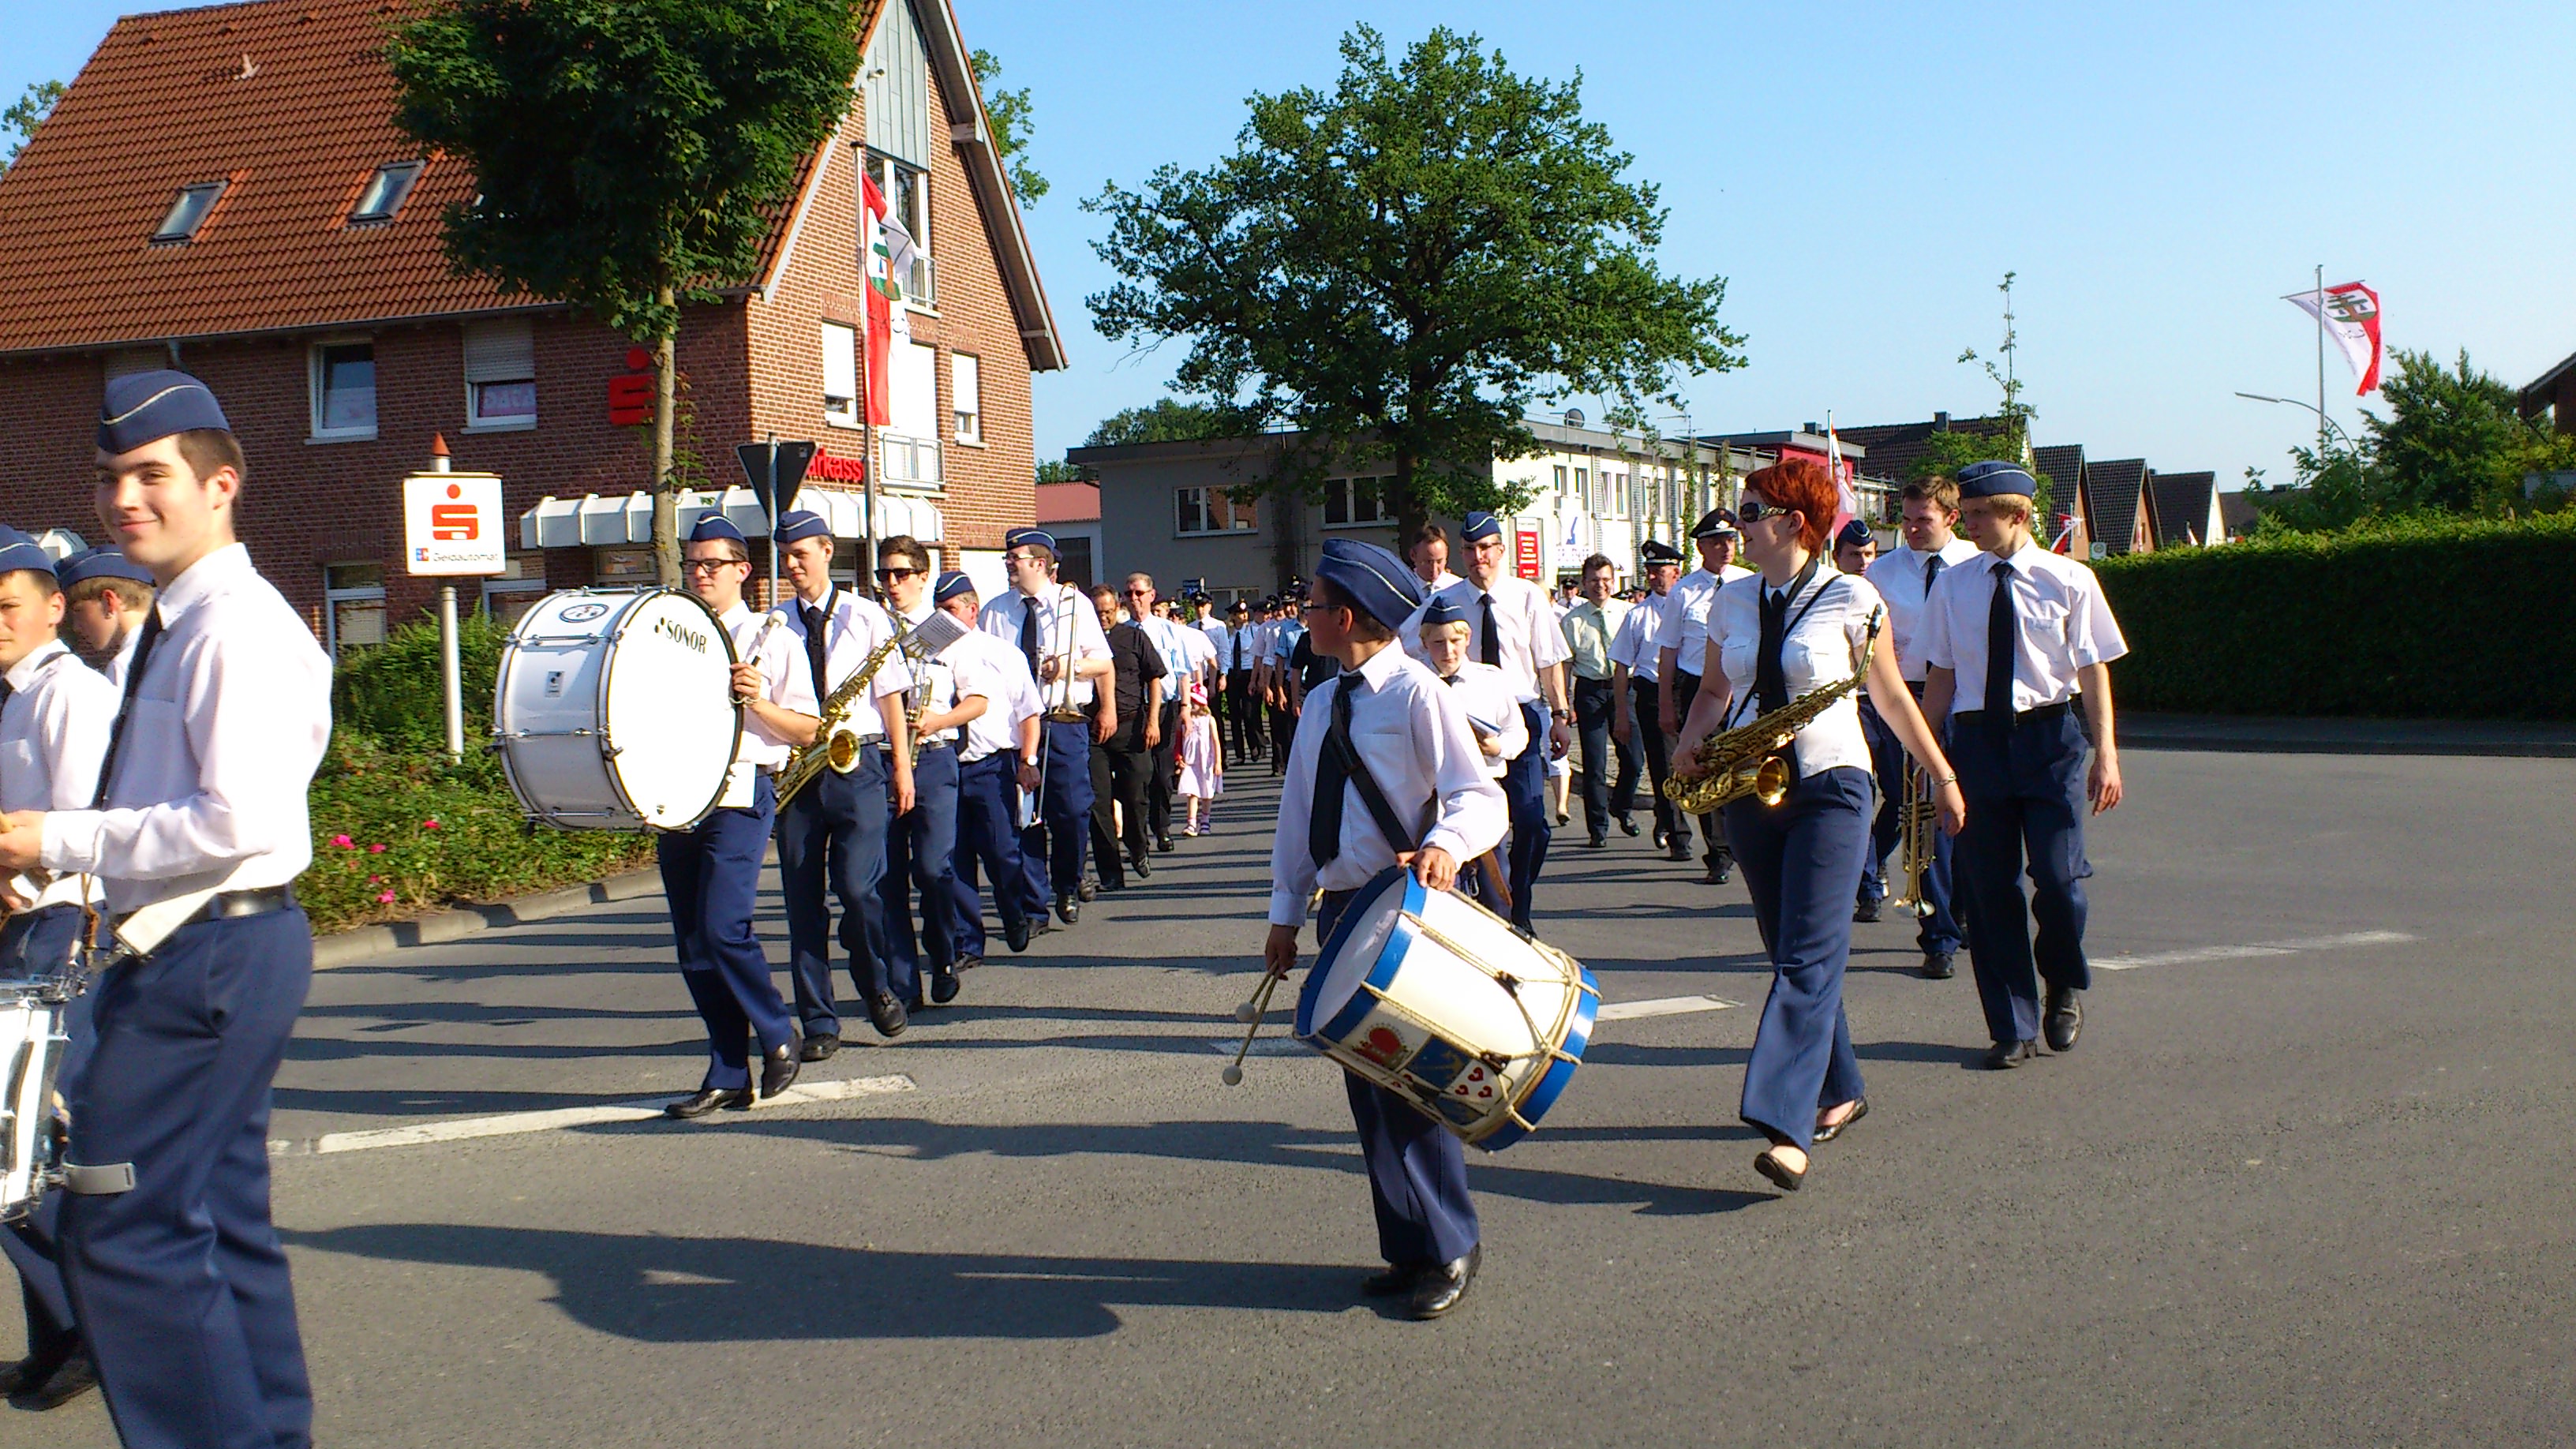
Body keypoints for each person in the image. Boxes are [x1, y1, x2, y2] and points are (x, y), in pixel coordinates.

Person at [0, 370, 332, 1448]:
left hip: (212, 947)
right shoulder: (182, 617)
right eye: (109, 478)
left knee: (122, 1224)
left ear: (221, 484)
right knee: (218, 1220)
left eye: (151, 475)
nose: (123, 499)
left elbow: (236, 818)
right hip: (205, 943)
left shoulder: (232, 628)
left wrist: (55, 840)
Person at [1672, 459, 1966, 1193]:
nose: (1737, 526)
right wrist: (1690, 740)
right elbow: (1713, 690)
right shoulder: (1731, 600)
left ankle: (1786, 1124)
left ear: (1793, 523)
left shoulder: (1852, 595)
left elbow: (1891, 698)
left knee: (1809, 954)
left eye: (1750, 513)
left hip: (1833, 782)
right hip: (1752, 786)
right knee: (1787, 952)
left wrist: (1941, 776)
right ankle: (1843, 1087)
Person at [1263, 538, 1506, 1320]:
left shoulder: (1416, 693)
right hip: (1342, 910)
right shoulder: (1321, 703)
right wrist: (1284, 915)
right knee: (1368, 1086)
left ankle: (1450, 1244)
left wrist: (1444, 844)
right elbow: (1298, 817)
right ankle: (1407, 1246)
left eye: (1312, 605)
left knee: (1413, 1082)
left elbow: (1480, 797)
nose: (1303, 616)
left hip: (1405, 906)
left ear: (1346, 616)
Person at [1919, 460, 2129, 1069]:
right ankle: (2011, 1025)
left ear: (2018, 515)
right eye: (1965, 513)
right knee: (1990, 891)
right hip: (1978, 743)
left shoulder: (2070, 579)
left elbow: (2092, 670)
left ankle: (2061, 980)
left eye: (1979, 514)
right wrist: (1927, 756)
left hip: (2049, 740)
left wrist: (2107, 754)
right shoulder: (1953, 585)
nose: (1968, 524)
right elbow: (1941, 674)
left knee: (2059, 880)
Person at [0, 526, 118, 1413]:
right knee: (20, 1148)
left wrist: (15, 879)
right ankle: (60, 1334)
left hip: (56, 929)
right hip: (23, 926)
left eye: (8, 606)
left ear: (52, 608)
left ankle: (92, 1331)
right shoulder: (15, 696)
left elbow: (86, 826)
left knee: (26, 1146)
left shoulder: (66, 693)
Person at [661, 515, 803, 1118]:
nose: (699, 574)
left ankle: (777, 1031)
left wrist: (758, 701)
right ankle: (726, 1072)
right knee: (693, 945)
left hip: (741, 790)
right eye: (692, 564)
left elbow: (810, 729)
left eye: (711, 564)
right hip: (677, 795)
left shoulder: (772, 636)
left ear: (742, 570)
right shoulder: (668, 634)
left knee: (723, 927)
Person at [763, 509, 915, 1050]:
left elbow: (890, 695)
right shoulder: (774, 622)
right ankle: (819, 1022)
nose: (792, 565)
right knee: (802, 903)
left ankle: (875, 984)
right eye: (785, 557)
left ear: (827, 552)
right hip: (799, 769)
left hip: (859, 764)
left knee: (858, 888)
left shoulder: (866, 616)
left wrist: (902, 766)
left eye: (800, 555)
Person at [1404, 511, 1571, 934]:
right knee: (1470, 812)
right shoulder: (1446, 600)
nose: (1478, 557)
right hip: (1462, 715)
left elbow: (1549, 661)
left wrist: (1560, 715)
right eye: (1469, 550)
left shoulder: (1526, 596)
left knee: (1531, 821)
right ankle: (1495, 905)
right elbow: (1406, 646)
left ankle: (1518, 898)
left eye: (1485, 549)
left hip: (1520, 714)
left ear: (1500, 550)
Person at [1864, 479, 1982, 975]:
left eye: (1923, 520)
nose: (1911, 529)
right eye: (1906, 519)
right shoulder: (1882, 573)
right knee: (1921, 814)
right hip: (1908, 699)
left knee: (1970, 811)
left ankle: (1966, 910)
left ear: (1952, 518)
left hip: (1970, 700)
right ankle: (1937, 937)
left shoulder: (1977, 562)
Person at [979, 528, 1110, 926]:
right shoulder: (995, 610)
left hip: (1061, 720)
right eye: (1008, 558)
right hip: (1014, 727)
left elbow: (1102, 662)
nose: (1008, 564)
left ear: (1039, 563)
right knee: (1024, 816)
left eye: (1015, 558)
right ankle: (1035, 905)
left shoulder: (1074, 604)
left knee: (1071, 811)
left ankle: (1067, 882)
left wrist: (1067, 667)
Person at [878, 535, 985, 1009]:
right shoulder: (872, 628)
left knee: (932, 868)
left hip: (935, 757)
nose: (892, 583)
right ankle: (903, 984)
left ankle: (943, 955)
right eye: (884, 574)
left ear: (923, 577)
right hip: (882, 759)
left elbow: (978, 700)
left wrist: (939, 720)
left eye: (901, 574)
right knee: (886, 877)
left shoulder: (951, 632)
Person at [936, 573, 1047, 966]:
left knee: (1002, 853)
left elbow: (1029, 713)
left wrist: (1028, 762)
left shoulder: (1002, 653)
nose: (944, 618)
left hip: (991, 766)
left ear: (972, 610)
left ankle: (1014, 911)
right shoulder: (929, 656)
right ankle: (968, 942)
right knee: (954, 859)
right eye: (938, 611)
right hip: (945, 766)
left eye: (951, 610)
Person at [1657, 510, 1755, 880]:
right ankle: (1719, 852)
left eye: (1730, 540)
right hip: (1699, 687)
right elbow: (1668, 649)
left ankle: (1745, 839)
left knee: (1742, 764)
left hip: (1742, 685)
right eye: (1716, 542)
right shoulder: (1684, 592)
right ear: (1701, 547)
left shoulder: (1749, 582)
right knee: (1707, 766)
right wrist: (1666, 705)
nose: (1726, 548)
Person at [1086, 585, 1164, 889]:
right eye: (1097, 612)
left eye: (1108, 612)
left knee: (1135, 795)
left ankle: (1138, 846)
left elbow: (1154, 678)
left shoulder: (1133, 637)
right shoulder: (1081, 641)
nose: (1103, 618)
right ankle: (1110, 872)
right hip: (1093, 731)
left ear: (1117, 608)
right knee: (1098, 802)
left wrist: (1153, 721)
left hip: (1131, 728)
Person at [1612, 539, 1686, 852]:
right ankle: (1678, 835)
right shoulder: (1638, 615)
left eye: (1660, 571)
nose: (1653, 577)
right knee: (1664, 766)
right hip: (1652, 693)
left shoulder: (1693, 607)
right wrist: (1621, 714)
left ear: (1676, 572)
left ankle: (1716, 844)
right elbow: (1621, 666)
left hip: (1689, 691)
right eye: (1650, 572)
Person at [1123, 573, 1204, 855]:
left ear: (1151, 595)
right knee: (1137, 774)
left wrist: (1185, 708)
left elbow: (1182, 672)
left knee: (1162, 772)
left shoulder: (1169, 631)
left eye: (1139, 593)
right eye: (1129, 594)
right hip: (1134, 709)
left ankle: (1162, 827)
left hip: (1165, 707)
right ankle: (1138, 834)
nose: (1134, 599)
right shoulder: (1122, 633)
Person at [1559, 552, 1634, 848]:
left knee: (1633, 759)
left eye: (1605, 579)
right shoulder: (1573, 620)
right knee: (1594, 763)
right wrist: (1565, 703)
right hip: (1590, 690)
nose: (1600, 585)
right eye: (1593, 580)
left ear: (1613, 582)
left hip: (1624, 689)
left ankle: (1622, 806)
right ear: (1584, 583)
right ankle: (1598, 827)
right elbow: (1566, 664)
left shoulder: (1628, 613)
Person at [55, 547, 155, 684]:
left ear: (109, 602)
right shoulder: (172, 645)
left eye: (78, 612)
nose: (76, 627)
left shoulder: (126, 666)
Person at [1176, 683, 1223, 836]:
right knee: (1192, 792)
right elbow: (1178, 740)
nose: (1192, 704)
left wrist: (1218, 762)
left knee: (1207, 792)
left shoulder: (1209, 720)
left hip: (1206, 761)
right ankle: (1191, 823)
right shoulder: (1184, 720)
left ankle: (1205, 821)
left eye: (1195, 701)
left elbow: (1215, 741)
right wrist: (1178, 757)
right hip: (1190, 761)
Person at [1404, 521, 1465, 595]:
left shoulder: (1460, 588)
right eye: (1428, 562)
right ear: (1413, 555)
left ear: (1446, 554)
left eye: (1439, 562)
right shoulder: (1403, 589)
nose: (1434, 569)